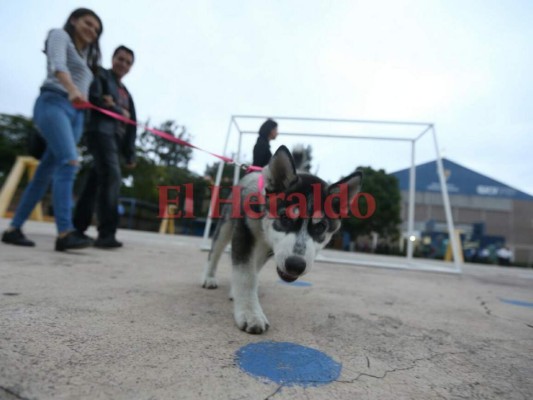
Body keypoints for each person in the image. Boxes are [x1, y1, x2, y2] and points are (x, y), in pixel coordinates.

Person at [2, 8, 103, 251]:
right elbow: (57, 65)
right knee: (69, 161)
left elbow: (87, 86)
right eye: (88, 23)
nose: (92, 30)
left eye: (97, 29)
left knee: (45, 172)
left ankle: (14, 229)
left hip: (77, 115)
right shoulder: (59, 35)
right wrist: (71, 88)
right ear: (74, 20)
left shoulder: (87, 56)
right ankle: (65, 232)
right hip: (54, 102)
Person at [73, 46, 137, 248]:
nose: (123, 64)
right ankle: (106, 234)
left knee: (95, 181)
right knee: (112, 176)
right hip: (100, 132)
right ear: (113, 58)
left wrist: (130, 153)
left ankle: (76, 228)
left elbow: (132, 124)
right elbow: (93, 98)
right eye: (121, 59)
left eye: (128, 62)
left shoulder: (127, 93)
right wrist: (116, 109)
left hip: (116, 140)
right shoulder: (100, 75)